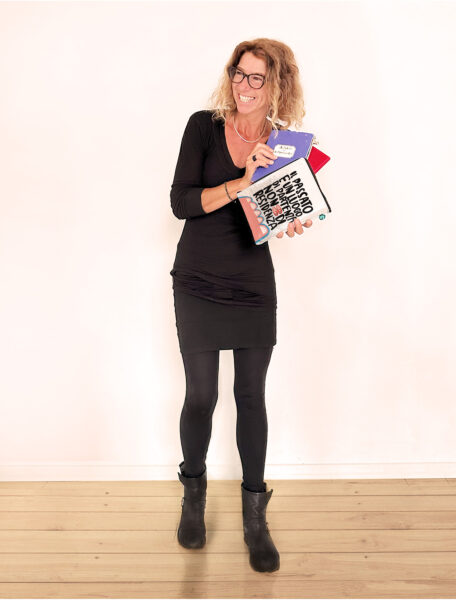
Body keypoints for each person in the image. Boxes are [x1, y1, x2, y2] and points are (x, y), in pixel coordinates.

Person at [169, 38, 310, 573]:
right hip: (198, 279)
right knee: (201, 396)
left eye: (257, 78)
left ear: (277, 86)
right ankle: (193, 496)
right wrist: (241, 183)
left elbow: (272, 217)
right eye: (239, 73)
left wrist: (289, 214)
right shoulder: (202, 127)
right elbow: (182, 203)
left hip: (252, 282)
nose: (244, 86)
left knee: (251, 396)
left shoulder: (285, 145)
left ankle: (255, 518)